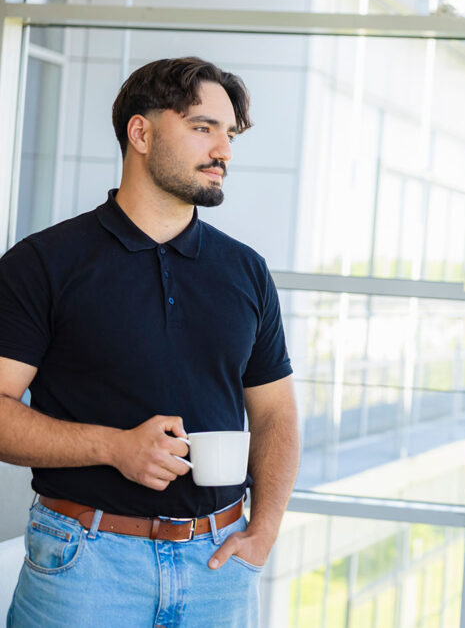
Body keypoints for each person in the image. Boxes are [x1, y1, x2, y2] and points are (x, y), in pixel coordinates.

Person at [0, 57, 300, 627]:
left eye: (229, 134)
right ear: (141, 132)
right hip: (84, 565)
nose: (224, 152)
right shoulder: (43, 263)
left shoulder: (246, 271)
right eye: (203, 127)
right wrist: (114, 447)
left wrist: (264, 529)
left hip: (218, 567)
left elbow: (276, 413)